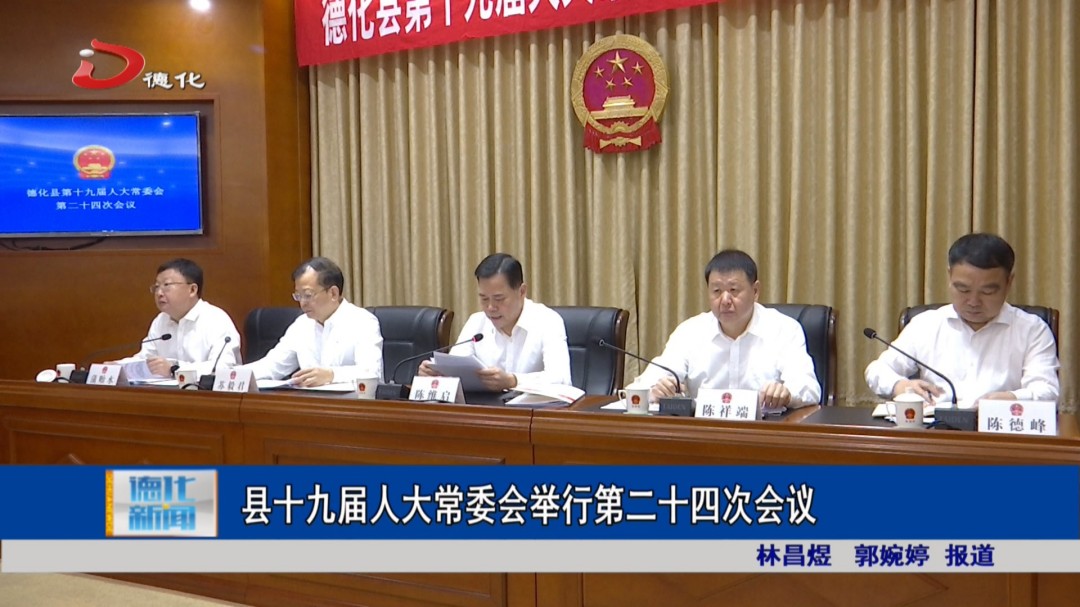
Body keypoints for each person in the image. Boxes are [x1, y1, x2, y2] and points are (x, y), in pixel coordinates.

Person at [865, 233, 1059, 404]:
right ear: (950, 276)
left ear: (1009, 282)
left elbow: (1047, 391)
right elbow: (877, 370)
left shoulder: (1032, 330)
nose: (973, 302)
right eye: (963, 289)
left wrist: (1010, 399)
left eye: (987, 291)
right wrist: (900, 386)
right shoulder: (926, 325)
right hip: (935, 429)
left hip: (999, 429)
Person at [636, 249, 821, 408]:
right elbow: (642, 386)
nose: (725, 300)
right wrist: (654, 391)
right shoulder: (690, 332)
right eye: (716, 291)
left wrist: (786, 394)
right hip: (704, 433)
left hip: (765, 432)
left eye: (734, 290)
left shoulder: (784, 329)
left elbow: (809, 389)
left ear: (755, 291)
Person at [418, 253, 571, 391]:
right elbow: (455, 371)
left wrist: (513, 381)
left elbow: (561, 379)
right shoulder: (476, 322)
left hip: (531, 411)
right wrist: (437, 374)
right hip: (485, 410)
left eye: (499, 299)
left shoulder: (548, 321)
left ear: (522, 291)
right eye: (484, 299)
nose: (490, 307)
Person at [244, 257, 383, 387]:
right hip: (310, 402)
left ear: (333, 293)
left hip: (350, 403)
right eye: (298, 296)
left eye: (308, 295)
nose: (302, 303)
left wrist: (331, 375)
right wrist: (236, 374)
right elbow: (273, 366)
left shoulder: (363, 322)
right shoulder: (301, 325)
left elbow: (371, 372)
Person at [116, 258, 241, 376]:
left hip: (207, 391)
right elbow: (146, 360)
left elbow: (224, 367)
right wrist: (117, 367)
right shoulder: (161, 320)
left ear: (192, 290)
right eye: (157, 287)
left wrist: (174, 369)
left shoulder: (216, 320)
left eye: (166, 285)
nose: (159, 293)